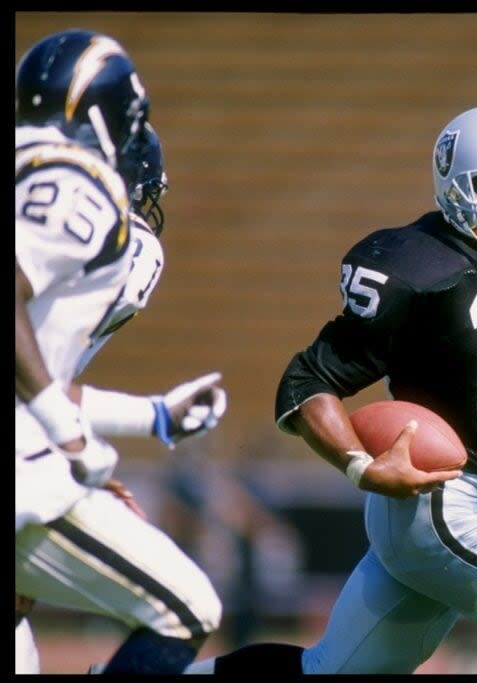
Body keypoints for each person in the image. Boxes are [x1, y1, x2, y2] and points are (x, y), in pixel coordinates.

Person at [185, 103, 477, 675]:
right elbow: (306, 383)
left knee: (330, 672)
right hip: (439, 506)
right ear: (455, 188)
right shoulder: (416, 270)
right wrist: (361, 467)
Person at [15, 30, 226, 674]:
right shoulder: (79, 180)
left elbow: (35, 368)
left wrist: (152, 416)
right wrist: (68, 441)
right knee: (186, 608)